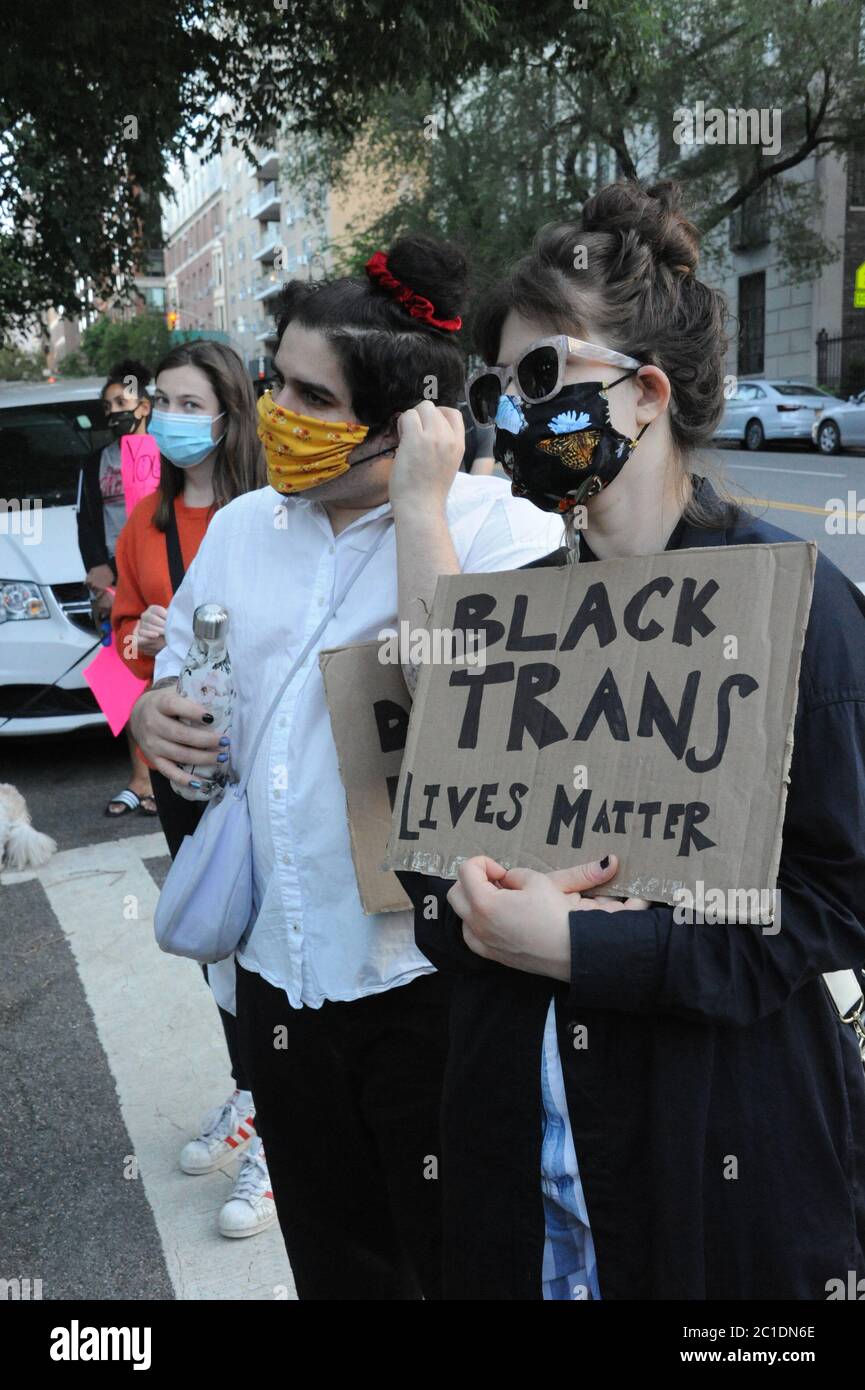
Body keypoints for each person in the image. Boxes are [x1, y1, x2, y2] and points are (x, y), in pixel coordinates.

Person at [397, 180, 865, 1300]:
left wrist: (584, 947)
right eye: (499, 387)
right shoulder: (502, 612)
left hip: (712, 1170)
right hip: (520, 1165)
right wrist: (469, 907)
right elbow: (421, 869)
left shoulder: (798, 607)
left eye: (542, 378)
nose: (512, 415)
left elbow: (832, 904)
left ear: (646, 394)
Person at [130, 233, 564, 1299]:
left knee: (456, 1262)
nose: (278, 412)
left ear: (412, 420)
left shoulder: (501, 532)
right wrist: (153, 713)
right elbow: (183, 667)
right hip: (280, 975)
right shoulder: (241, 528)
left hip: (432, 987)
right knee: (338, 1264)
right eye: (275, 380)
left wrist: (420, 507)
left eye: (314, 399)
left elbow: (470, 709)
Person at [113, 339, 274, 1240]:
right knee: (216, 950)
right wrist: (142, 658)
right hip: (182, 771)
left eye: (187, 400)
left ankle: (280, 1131)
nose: (168, 416)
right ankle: (250, 1093)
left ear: (227, 413)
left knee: (269, 949)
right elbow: (119, 647)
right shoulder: (144, 520)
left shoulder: (264, 516)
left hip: (261, 770)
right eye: (159, 401)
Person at [76, 358, 157, 816]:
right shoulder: (96, 462)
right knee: (123, 680)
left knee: (165, 675)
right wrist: (98, 570)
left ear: (143, 407)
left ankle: (169, 777)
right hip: (113, 586)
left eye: (120, 402)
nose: (112, 412)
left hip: (155, 582)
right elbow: (87, 522)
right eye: (107, 405)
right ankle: (140, 779)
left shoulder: (163, 456)